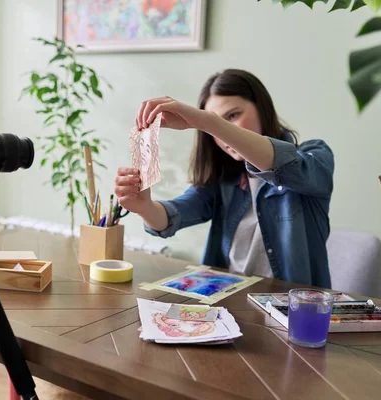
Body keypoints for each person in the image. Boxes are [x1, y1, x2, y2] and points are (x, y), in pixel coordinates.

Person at [114, 69, 335, 288]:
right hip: (228, 300)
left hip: (293, 309)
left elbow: (285, 166)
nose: (221, 133)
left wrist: (207, 122)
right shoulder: (223, 178)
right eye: (215, 124)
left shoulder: (316, 156)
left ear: (262, 108)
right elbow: (173, 216)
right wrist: (144, 207)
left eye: (233, 115)